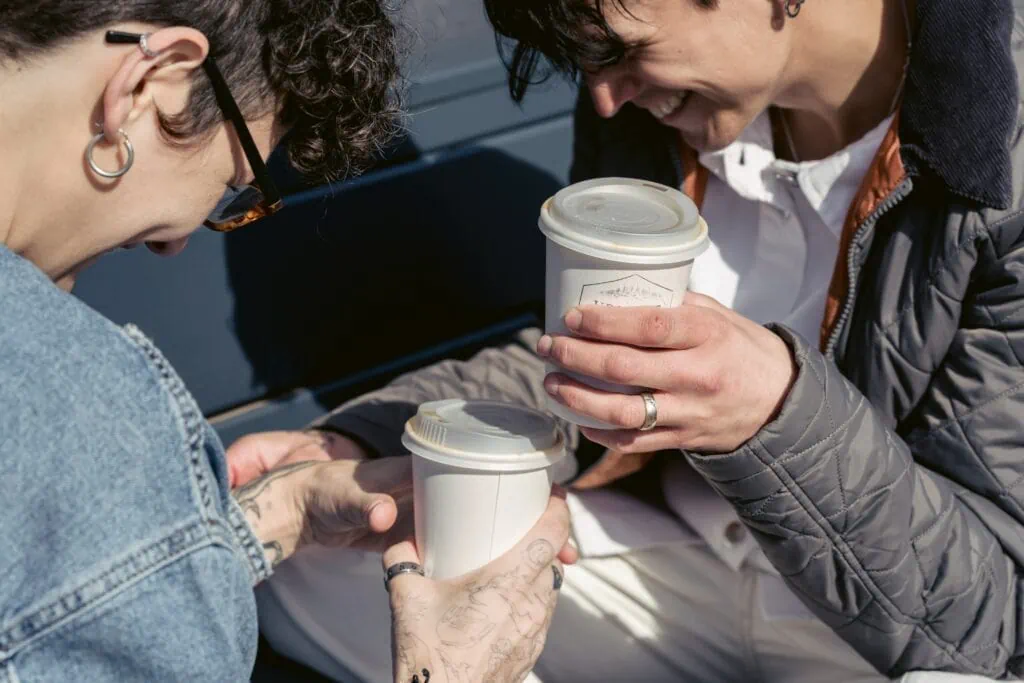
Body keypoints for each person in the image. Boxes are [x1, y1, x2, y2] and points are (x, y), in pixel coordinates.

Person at [232, 0, 1024, 680]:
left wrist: (774, 411)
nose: (604, 96)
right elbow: (584, 358)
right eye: (583, 59)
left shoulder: (1003, 154)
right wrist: (354, 440)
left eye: (618, 50)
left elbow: (995, 612)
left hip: (878, 634)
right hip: (677, 562)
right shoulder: (656, 109)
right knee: (316, 557)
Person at [0, 2, 573, 681]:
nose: (174, 241)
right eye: (231, 188)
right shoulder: (87, 412)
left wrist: (274, 514)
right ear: (155, 84)